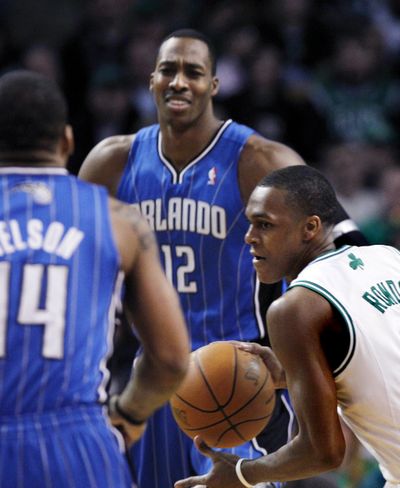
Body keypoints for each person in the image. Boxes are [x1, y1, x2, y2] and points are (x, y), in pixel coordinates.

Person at [78, 29, 368, 488]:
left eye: (193, 71)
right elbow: (81, 281)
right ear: (151, 79)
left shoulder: (258, 159)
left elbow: (338, 247)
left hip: (239, 370)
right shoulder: (111, 163)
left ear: (213, 85)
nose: (179, 82)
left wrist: (329, 369)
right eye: (168, 70)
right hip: (150, 376)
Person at [0, 70, 189, 487]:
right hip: (75, 441)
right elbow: (173, 359)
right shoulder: (119, 220)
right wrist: (132, 413)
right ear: (67, 141)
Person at [174, 165, 400, 488]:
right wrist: (289, 372)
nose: (249, 237)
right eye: (250, 223)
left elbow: (324, 453)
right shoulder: (386, 257)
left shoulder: (293, 309)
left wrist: (241, 473)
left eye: (265, 225)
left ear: (310, 228)